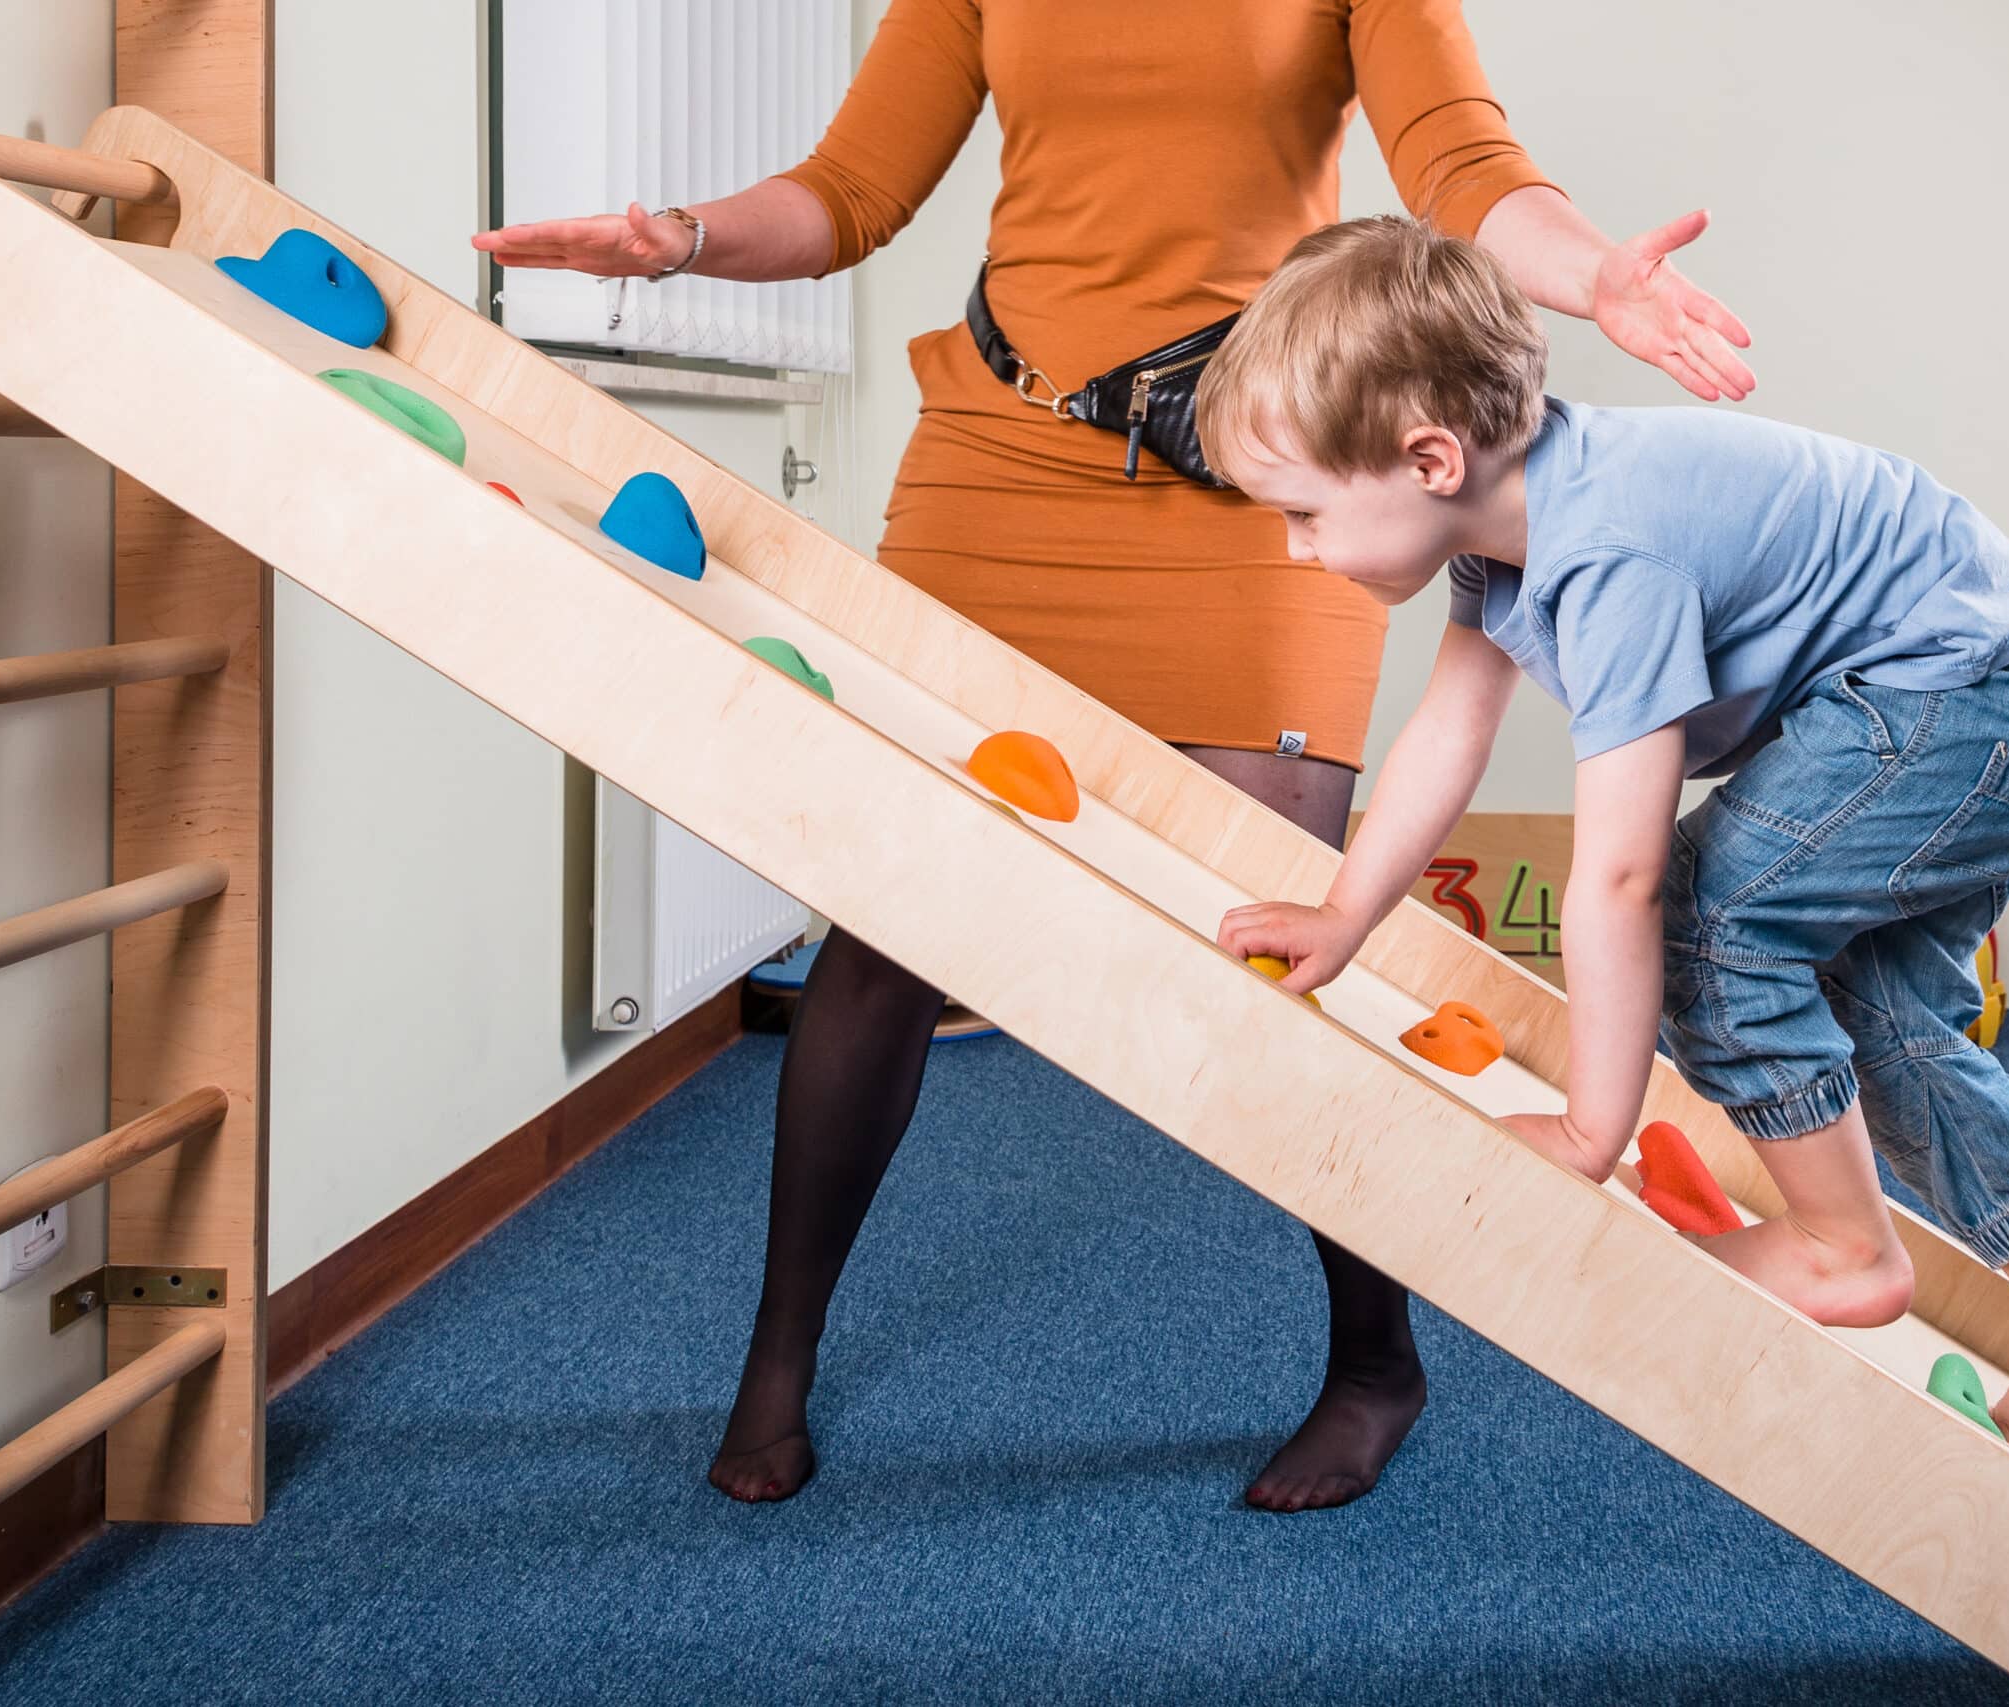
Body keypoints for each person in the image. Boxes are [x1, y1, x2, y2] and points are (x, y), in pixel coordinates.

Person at [476, 1, 1754, 1511]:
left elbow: (1460, 164)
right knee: (886, 919)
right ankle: (778, 1352)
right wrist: (681, 239)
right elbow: (850, 191)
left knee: (1286, 945)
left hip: (1265, 467)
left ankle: (1373, 1358)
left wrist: (1592, 272)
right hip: (1004, 458)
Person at [1207, 216, 2009, 1458]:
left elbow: (1619, 875)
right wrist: (1347, 912)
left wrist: (1589, 1133)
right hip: (1996, 688)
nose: (1296, 548)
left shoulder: (1608, 555)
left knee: (1713, 921)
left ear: (1429, 458)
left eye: (1303, 514)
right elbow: (1448, 735)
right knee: (1880, 1008)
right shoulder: (1507, 532)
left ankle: (1842, 1248)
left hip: (1979, 697)